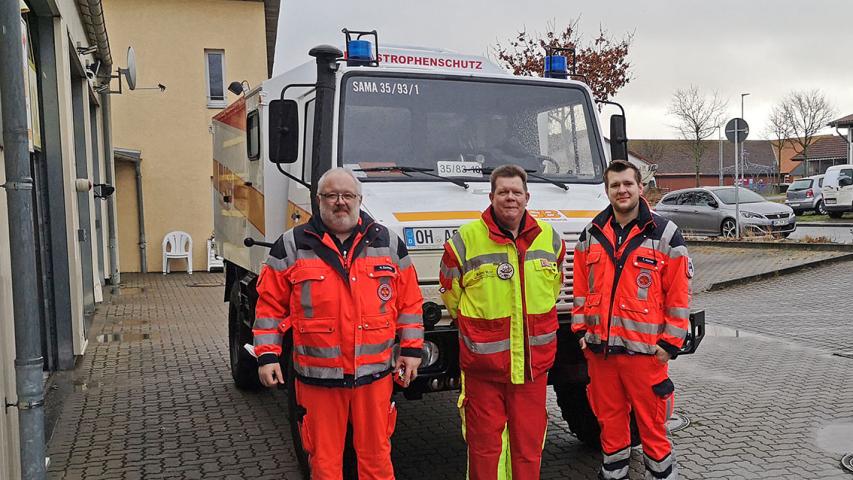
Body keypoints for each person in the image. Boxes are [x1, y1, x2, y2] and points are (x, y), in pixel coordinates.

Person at [253, 168, 424, 480]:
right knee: (324, 463)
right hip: (318, 381)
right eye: (332, 195)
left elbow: (409, 304)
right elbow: (269, 306)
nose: (340, 202)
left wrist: (412, 350)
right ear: (319, 201)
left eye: (347, 195)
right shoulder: (291, 246)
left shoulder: (388, 243)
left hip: (374, 377)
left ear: (359, 199)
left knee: (376, 460)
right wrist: (267, 356)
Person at [439, 164, 566, 480]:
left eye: (516, 192)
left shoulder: (551, 238)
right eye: (503, 192)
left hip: (532, 369)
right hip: (484, 369)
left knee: (529, 445)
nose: (511, 198)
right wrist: (478, 329)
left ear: (527, 196)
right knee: (485, 448)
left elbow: (553, 287)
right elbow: (451, 293)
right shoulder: (465, 240)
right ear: (492, 195)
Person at [571, 160, 691, 480]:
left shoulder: (665, 234)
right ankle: (614, 474)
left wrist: (670, 343)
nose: (621, 190)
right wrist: (581, 330)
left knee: (652, 425)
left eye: (627, 184)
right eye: (614, 185)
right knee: (609, 421)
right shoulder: (591, 233)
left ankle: (662, 474)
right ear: (607, 191)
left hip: (647, 354)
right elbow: (580, 287)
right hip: (602, 353)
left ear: (640, 187)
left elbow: (679, 295)